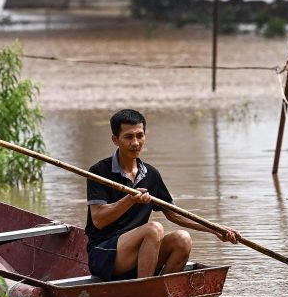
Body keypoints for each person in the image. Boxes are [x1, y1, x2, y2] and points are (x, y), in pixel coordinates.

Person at [85, 109, 241, 281]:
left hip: (142, 254)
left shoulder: (151, 174)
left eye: (140, 136)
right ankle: (143, 289)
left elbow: (174, 214)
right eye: (129, 137)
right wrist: (129, 200)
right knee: (154, 228)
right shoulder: (99, 172)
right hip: (105, 255)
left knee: (183, 239)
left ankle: (161, 290)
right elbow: (99, 220)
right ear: (115, 139)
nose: (136, 143)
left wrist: (215, 229)